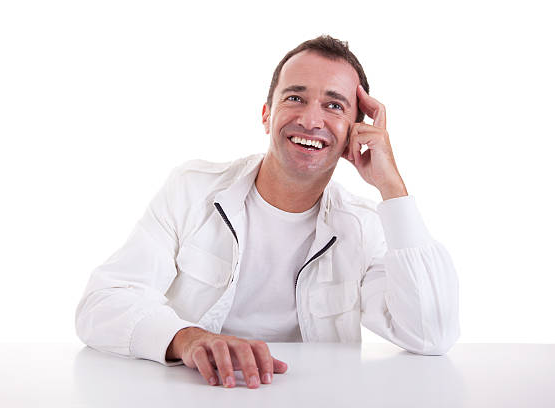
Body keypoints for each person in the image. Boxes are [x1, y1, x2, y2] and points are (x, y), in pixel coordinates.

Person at [75, 34, 460, 389]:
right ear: (266, 115)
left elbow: (431, 334)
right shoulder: (191, 190)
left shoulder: (364, 227)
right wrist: (186, 338)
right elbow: (102, 303)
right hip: (195, 393)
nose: (311, 120)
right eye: (295, 98)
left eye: (334, 105)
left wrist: (392, 187)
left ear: (353, 132)